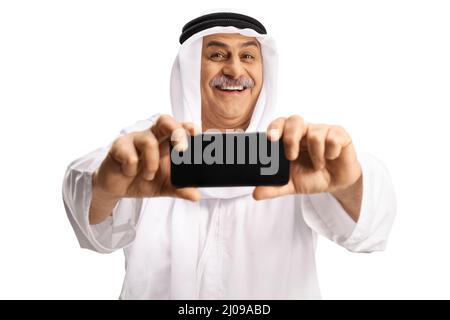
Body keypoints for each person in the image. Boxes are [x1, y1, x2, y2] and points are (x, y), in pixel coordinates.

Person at [62, 12, 396, 299]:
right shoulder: (149, 146)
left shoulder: (298, 151)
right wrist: (107, 185)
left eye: (248, 56)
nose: (235, 70)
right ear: (190, 69)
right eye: (218, 55)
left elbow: (369, 231)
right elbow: (92, 219)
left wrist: (349, 181)